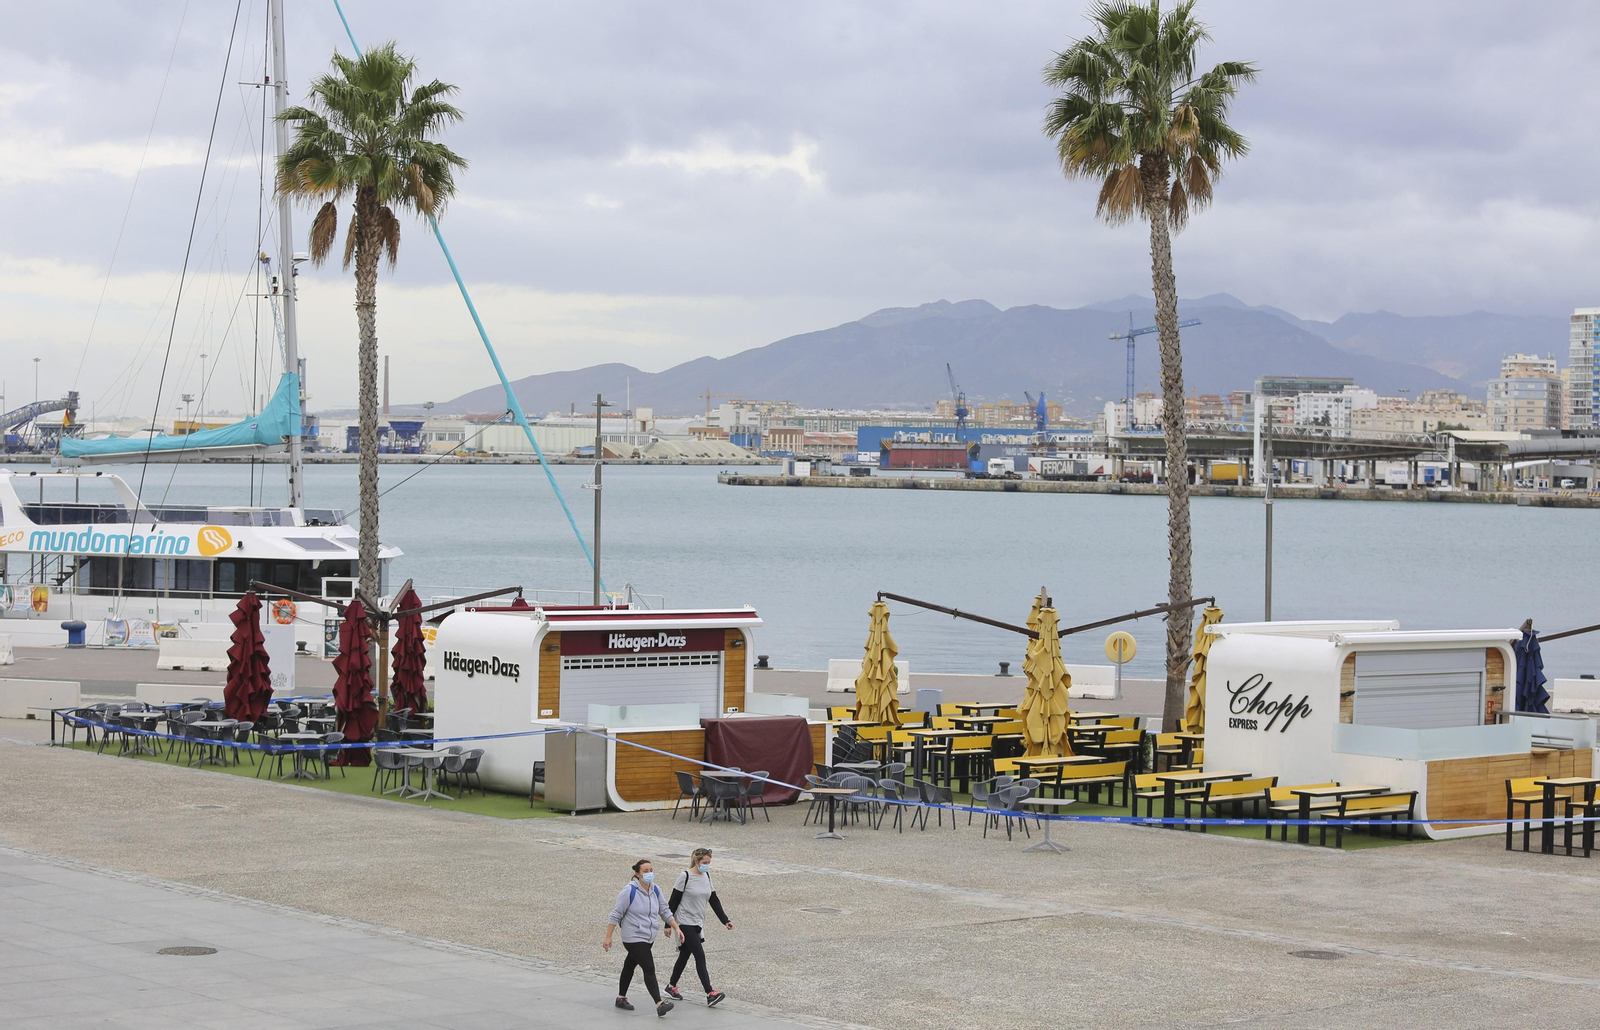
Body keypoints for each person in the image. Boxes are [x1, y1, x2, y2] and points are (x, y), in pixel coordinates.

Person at [604, 858, 682, 1015]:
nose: (649, 873)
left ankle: (621, 998)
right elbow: (616, 914)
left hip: (648, 936)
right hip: (632, 936)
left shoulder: (656, 890)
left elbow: (665, 911)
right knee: (649, 967)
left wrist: (676, 928)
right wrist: (608, 937)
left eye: (651, 870)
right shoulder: (629, 890)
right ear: (637, 874)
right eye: (645, 871)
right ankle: (659, 1004)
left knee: (630, 965)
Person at [664, 847, 733, 1007]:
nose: (707, 865)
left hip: (698, 922)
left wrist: (725, 920)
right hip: (683, 922)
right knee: (700, 956)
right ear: (696, 861)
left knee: (684, 955)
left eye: (709, 862)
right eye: (705, 862)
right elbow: (673, 901)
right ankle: (710, 993)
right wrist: (668, 924)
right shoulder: (685, 876)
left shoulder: (707, 876)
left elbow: (714, 899)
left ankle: (671, 986)